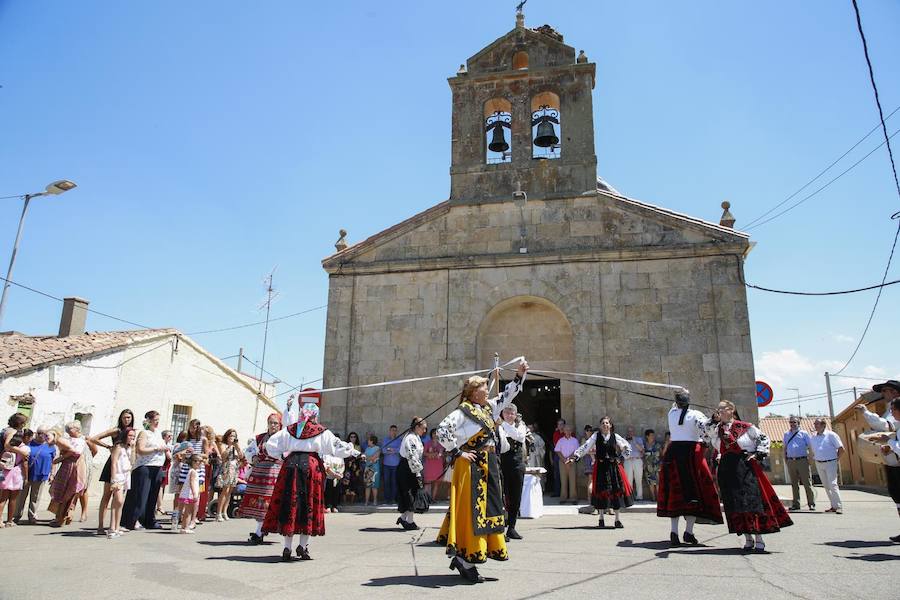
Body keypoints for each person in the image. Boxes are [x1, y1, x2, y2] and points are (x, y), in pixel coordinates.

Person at [436, 360, 528, 584]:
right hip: (471, 466)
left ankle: (467, 558)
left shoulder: (487, 408)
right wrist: (458, 452)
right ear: (474, 392)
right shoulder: (463, 412)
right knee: (472, 513)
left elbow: (507, 396)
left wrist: (519, 376)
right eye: (484, 388)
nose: (488, 390)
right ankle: (466, 561)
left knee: (488, 511)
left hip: (488, 464)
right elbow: (442, 430)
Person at [262, 403, 360, 561]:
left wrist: (281, 457)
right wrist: (353, 451)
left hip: (291, 467)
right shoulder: (321, 431)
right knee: (308, 505)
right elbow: (337, 446)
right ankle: (303, 547)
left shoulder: (290, 429)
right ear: (315, 415)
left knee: (290, 504)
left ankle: (287, 547)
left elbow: (271, 444)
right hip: (311, 468)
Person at [711, 400, 792, 552]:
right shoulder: (717, 429)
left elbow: (763, 438)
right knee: (736, 504)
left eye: (722, 409)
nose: (719, 411)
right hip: (728, 469)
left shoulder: (745, 427)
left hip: (745, 466)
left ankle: (759, 537)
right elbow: (709, 437)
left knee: (751, 501)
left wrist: (758, 453)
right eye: (718, 409)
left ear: (731, 410)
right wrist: (712, 421)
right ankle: (748, 538)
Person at [657, 390, 723, 547]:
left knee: (675, 491)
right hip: (690, 455)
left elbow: (702, 424)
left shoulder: (671, 413)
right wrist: (713, 420)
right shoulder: (695, 414)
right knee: (694, 492)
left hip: (673, 454)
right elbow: (705, 427)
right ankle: (688, 532)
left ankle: (675, 532)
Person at [569, 416, 633, 528]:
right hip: (601, 467)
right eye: (603, 423)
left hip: (613, 467)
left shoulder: (615, 436)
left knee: (615, 491)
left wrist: (621, 458)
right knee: (601, 491)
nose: (605, 425)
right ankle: (601, 518)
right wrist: (575, 456)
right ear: (600, 426)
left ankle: (617, 519)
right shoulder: (596, 436)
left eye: (607, 423)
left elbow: (627, 447)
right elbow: (586, 446)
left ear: (610, 425)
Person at [857, 381, 900, 542]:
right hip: (893, 459)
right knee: (897, 496)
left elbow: (885, 426)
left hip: (897, 460)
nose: (883, 394)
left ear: (894, 392)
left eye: (885, 391)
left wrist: (866, 413)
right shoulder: (891, 409)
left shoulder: (896, 409)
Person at [239, 412, 285, 544]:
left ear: (280, 424)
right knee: (259, 503)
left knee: (270, 503)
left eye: (276, 423)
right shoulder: (259, 438)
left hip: (275, 473)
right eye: (271, 423)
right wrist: (253, 457)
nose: (273, 425)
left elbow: (287, 452)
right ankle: (260, 530)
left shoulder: (283, 438)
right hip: (259, 474)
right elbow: (249, 450)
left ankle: (260, 531)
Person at [90, 409, 134, 535]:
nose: (127, 420)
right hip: (113, 463)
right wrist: (108, 447)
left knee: (119, 498)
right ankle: (100, 525)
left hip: (124, 466)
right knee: (107, 495)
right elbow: (94, 438)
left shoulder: (131, 432)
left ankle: (115, 525)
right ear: (121, 418)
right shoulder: (116, 430)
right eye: (125, 417)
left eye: (129, 417)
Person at [122, 410, 169, 530]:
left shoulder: (158, 433)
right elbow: (140, 449)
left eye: (158, 420)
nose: (157, 423)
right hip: (145, 466)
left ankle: (149, 520)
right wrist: (156, 448)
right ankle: (132, 520)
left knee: (152, 495)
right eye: (155, 420)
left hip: (157, 466)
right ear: (149, 420)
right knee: (140, 495)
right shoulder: (144, 433)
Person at [49, 421, 95, 527]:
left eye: (70, 428)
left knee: (77, 491)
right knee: (63, 491)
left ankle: (77, 514)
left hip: (79, 467)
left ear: (77, 429)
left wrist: (86, 462)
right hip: (67, 466)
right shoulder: (67, 439)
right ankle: (62, 516)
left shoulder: (84, 439)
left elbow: (93, 450)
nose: (68, 430)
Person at [14, 428, 57, 523]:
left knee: (35, 497)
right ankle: (16, 515)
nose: (41, 435)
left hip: (41, 474)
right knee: (21, 496)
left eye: (44, 434)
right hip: (26, 474)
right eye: (39, 433)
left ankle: (32, 515)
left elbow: (53, 462)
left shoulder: (51, 446)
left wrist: (52, 474)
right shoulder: (28, 443)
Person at [499, 405, 528, 540]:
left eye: (512, 413)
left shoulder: (520, 425)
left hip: (517, 464)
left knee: (516, 497)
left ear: (515, 415)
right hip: (502, 464)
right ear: (503, 413)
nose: (509, 415)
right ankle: (500, 528)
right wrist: (503, 426)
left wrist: (504, 425)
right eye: (507, 413)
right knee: (502, 496)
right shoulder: (498, 426)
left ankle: (512, 527)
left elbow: (520, 436)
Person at [173, 419, 207, 528]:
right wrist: (184, 453)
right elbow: (178, 453)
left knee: (196, 493)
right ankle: (178, 516)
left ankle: (193, 519)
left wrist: (196, 454)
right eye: (191, 427)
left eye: (195, 427)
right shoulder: (186, 439)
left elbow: (206, 455)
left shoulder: (203, 440)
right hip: (186, 468)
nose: (193, 430)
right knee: (181, 492)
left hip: (198, 469)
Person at [397, 416, 427, 530]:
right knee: (409, 493)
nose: (424, 431)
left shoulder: (416, 437)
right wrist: (418, 472)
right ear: (417, 427)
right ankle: (409, 521)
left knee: (413, 493)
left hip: (412, 467)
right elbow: (412, 456)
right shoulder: (410, 438)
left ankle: (404, 518)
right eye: (423, 428)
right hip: (407, 468)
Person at [810, 417, 844, 514]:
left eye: (817, 424)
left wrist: (836, 460)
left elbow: (841, 449)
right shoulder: (813, 437)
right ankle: (833, 506)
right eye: (815, 424)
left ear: (823, 425)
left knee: (833, 484)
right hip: (819, 463)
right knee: (826, 485)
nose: (815, 426)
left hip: (831, 462)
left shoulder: (831, 435)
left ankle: (838, 506)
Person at [107, 428, 136, 539]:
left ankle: (116, 527)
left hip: (126, 475)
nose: (132, 438)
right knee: (118, 500)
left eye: (133, 436)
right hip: (118, 476)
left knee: (120, 503)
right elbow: (113, 463)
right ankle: (111, 527)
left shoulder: (128, 448)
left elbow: (132, 461)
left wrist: (133, 448)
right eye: (130, 436)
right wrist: (113, 479)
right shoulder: (118, 447)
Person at [783, 416, 815, 511]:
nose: (792, 424)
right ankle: (796, 504)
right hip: (790, 461)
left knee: (807, 483)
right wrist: (785, 459)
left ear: (798, 423)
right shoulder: (786, 434)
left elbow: (810, 447)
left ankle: (811, 503)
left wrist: (810, 460)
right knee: (794, 484)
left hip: (802, 461)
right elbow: (784, 448)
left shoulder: (804, 434)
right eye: (791, 422)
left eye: (794, 422)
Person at [0, 433, 30, 527]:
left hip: (6, 472)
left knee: (2, 499)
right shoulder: (25, 449)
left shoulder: (8, 447)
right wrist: (26, 477)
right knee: (13, 499)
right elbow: (25, 464)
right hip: (17, 473)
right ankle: (9, 521)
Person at [214, 428, 243, 521]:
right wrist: (230, 446)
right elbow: (223, 456)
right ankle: (218, 513)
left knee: (230, 492)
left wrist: (237, 447)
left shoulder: (236, 446)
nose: (233, 438)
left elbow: (241, 456)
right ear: (227, 436)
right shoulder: (223, 445)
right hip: (226, 468)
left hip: (234, 469)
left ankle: (224, 512)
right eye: (231, 436)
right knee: (224, 491)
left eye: (234, 436)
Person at [178, 454, 203, 534]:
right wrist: (194, 493)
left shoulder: (193, 471)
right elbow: (192, 483)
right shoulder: (193, 472)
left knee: (187, 511)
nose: (201, 464)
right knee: (188, 511)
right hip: (189, 494)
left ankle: (183, 527)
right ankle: (186, 527)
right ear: (194, 462)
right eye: (199, 462)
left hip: (188, 493)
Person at [554, 426, 579, 503]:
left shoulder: (575, 440)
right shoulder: (560, 440)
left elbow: (576, 451)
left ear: (571, 431)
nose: (568, 431)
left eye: (569, 430)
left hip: (572, 461)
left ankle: (573, 498)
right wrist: (564, 460)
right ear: (564, 431)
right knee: (563, 480)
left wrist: (570, 459)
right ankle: (563, 498)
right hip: (562, 461)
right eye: (566, 430)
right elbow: (557, 451)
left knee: (572, 480)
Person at [622, 426, 644, 501]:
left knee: (638, 479)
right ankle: (629, 497)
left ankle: (639, 496)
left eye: (631, 431)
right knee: (628, 480)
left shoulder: (638, 439)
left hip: (637, 460)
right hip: (628, 460)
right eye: (629, 431)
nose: (630, 433)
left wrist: (634, 441)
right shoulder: (624, 440)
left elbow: (642, 450)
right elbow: (622, 451)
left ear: (634, 432)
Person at [423, 428, 445, 501]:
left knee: (436, 483)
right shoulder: (428, 443)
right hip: (429, 465)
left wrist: (438, 454)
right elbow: (424, 453)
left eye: (436, 433)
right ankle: (426, 499)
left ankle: (433, 498)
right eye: (433, 433)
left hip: (437, 465)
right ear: (431, 434)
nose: (435, 435)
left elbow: (441, 453)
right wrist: (430, 454)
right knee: (427, 482)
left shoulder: (441, 443)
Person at [342, 432, 364, 505]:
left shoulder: (358, 446)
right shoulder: (346, 446)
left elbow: (359, 456)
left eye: (354, 437)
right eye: (351, 437)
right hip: (347, 467)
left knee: (354, 483)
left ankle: (352, 501)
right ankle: (344, 501)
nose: (353, 438)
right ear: (349, 438)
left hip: (355, 468)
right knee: (345, 483)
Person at [382, 425, 401, 504]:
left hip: (396, 464)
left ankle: (393, 499)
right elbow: (383, 450)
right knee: (386, 482)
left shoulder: (399, 440)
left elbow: (400, 450)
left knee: (394, 482)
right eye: (392, 430)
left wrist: (391, 449)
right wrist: (392, 450)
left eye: (395, 430)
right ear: (389, 431)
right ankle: (387, 499)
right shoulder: (385, 440)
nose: (394, 431)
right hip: (386, 464)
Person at [156, 430, 173, 516]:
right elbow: (169, 457)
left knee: (162, 486)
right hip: (163, 467)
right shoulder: (164, 445)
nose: (170, 438)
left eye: (171, 436)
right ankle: (160, 506)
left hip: (166, 467)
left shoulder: (168, 445)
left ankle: (159, 505)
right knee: (160, 487)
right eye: (168, 436)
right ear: (164, 437)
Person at [643, 429, 662, 502]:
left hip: (656, 466)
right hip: (648, 466)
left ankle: (658, 496)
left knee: (657, 482)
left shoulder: (657, 444)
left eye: (653, 435)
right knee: (650, 482)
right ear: (647, 436)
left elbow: (661, 454)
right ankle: (653, 496)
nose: (653, 436)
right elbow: (643, 454)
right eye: (651, 435)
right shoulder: (644, 445)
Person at [363, 435, 381, 506]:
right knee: (367, 486)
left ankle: (375, 501)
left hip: (375, 469)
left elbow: (374, 458)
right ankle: (366, 501)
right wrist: (369, 458)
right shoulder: (367, 448)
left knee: (374, 486)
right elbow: (364, 457)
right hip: (367, 468)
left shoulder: (378, 448)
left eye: (369, 440)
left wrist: (368, 457)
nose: (368, 441)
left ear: (372, 441)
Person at [551, 419, 566, 497]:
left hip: (567, 455)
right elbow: (555, 444)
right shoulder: (556, 433)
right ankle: (557, 492)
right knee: (557, 474)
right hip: (558, 455)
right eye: (559, 424)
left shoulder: (568, 433)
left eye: (562, 424)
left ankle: (567, 493)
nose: (560, 426)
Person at [580, 425, 595, 501]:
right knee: (590, 479)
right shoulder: (584, 439)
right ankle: (589, 497)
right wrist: (592, 452)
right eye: (587, 430)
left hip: (595, 460)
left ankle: (593, 497)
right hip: (588, 460)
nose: (589, 431)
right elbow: (583, 450)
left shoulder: (593, 439)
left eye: (590, 430)